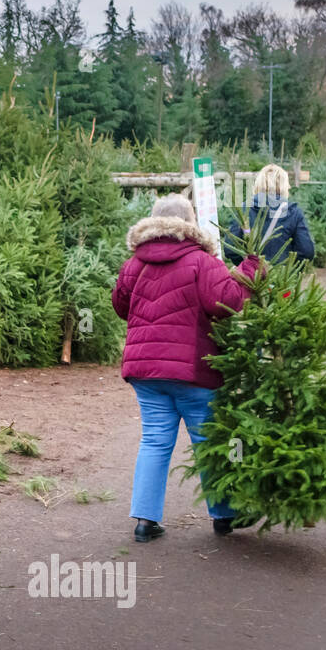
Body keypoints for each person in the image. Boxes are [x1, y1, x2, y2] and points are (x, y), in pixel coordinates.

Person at [113, 194, 261, 542]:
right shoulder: (200, 261)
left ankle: (145, 522)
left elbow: (121, 305)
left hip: (144, 370)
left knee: (154, 441)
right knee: (207, 441)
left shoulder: (134, 262)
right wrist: (250, 269)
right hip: (193, 370)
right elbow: (226, 302)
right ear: (190, 222)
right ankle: (224, 516)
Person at [223, 164, 314, 265]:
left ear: (258, 183)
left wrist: (247, 267)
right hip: (282, 278)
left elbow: (230, 248)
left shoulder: (244, 209)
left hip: (249, 278)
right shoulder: (293, 212)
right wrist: (288, 270)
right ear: (284, 185)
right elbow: (306, 251)